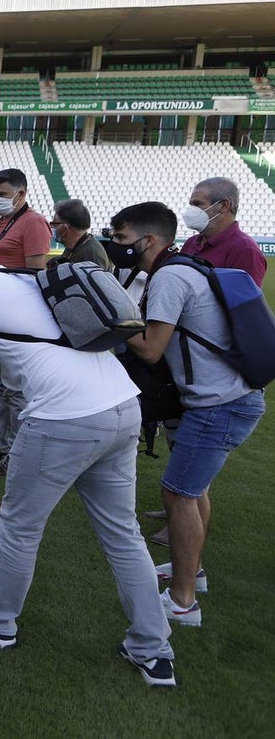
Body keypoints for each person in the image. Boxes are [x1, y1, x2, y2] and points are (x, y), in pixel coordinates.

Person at [0, 226, 176, 687]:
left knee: (19, 526)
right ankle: (152, 648)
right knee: (123, 534)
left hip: (64, 419)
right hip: (122, 407)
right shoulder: (20, 279)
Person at [110, 202, 265, 628]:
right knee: (192, 491)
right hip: (228, 398)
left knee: (178, 493)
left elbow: (151, 346)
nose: (116, 246)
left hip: (219, 405)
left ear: (149, 240)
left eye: (122, 239)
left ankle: (182, 602)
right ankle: (191, 574)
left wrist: (111, 318)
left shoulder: (170, 277)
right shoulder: (184, 267)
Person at [146, 177, 267, 546]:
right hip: (186, 362)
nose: (192, 208)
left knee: (195, 455)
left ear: (224, 206)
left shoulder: (243, 249)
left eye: (198, 202)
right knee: (180, 441)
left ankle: (181, 518)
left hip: (216, 368)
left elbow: (244, 311)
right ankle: (178, 507)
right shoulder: (195, 243)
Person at [0, 168, 52, 477]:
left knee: (16, 391)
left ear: (21, 194)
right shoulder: (3, 220)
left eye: (3, 194)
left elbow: (36, 275)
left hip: (17, 318)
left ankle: (16, 453)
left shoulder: (34, 223)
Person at [180, 177, 266, 286]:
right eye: (191, 205)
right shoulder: (190, 243)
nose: (191, 211)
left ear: (224, 206)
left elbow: (244, 300)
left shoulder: (245, 250)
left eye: (197, 204)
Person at [48, 199, 112, 271]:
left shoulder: (91, 255)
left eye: (54, 224)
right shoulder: (74, 246)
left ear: (65, 227)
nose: (52, 228)